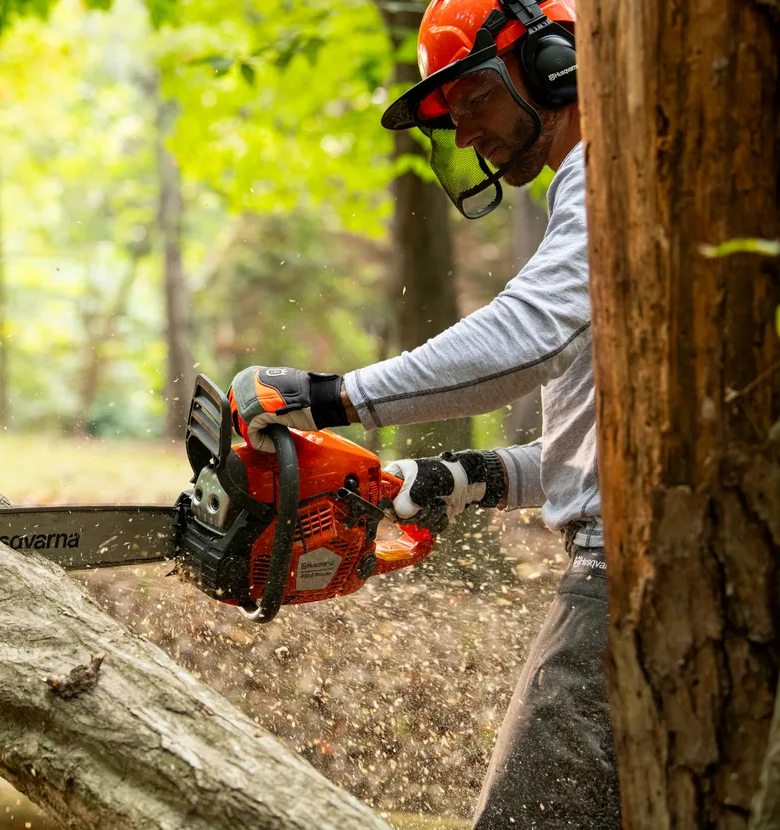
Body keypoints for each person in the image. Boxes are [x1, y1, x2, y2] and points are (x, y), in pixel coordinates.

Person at [227, 1, 620, 827]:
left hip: (625, 586)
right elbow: (615, 448)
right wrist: (459, 477)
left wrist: (333, 395)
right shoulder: (621, 184)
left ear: (552, 60)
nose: (467, 133)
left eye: (472, 99)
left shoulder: (617, 165)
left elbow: (532, 335)